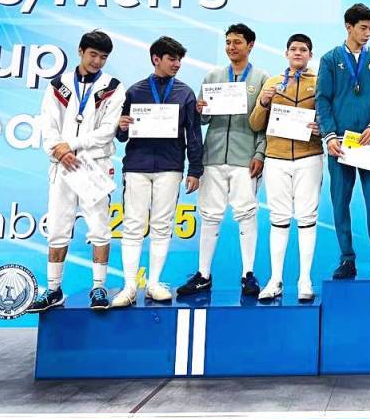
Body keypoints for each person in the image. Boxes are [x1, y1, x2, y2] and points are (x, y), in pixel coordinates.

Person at [28, 31, 125, 312]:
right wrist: (59, 151)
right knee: (58, 227)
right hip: (63, 165)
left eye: (103, 57)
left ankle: (99, 287)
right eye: (93, 54)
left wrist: (71, 145)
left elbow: (107, 130)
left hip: (94, 165)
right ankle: (53, 289)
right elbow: (48, 124)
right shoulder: (58, 85)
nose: (97, 61)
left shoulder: (113, 87)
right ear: (81, 51)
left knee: (100, 228)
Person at [112, 36, 203, 307]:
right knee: (132, 225)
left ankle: (154, 283)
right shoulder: (135, 91)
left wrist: (195, 169)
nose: (177, 64)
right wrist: (122, 127)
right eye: (172, 59)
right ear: (156, 59)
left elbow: (193, 135)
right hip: (136, 166)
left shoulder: (185, 93)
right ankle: (129, 286)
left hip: (170, 167)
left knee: (162, 226)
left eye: (179, 60)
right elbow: (121, 135)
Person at [178, 24, 268, 298]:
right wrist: (200, 110)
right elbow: (203, 120)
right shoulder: (213, 76)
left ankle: (248, 274)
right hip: (213, 156)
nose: (231, 47)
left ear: (250, 45)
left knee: (247, 214)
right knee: (209, 215)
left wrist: (259, 153)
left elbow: (265, 122)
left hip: (245, 158)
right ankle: (203, 274)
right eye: (228, 42)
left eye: (237, 42)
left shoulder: (262, 79)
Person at [316, 3, 370, 280]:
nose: (368, 33)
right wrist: (329, 135)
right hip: (340, 144)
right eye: (363, 28)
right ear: (348, 27)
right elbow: (322, 100)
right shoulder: (330, 59)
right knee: (340, 203)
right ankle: (347, 259)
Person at [249, 34, 324, 301]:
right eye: (293, 49)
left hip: (309, 156)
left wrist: (321, 127)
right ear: (286, 53)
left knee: (306, 217)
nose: (298, 53)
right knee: (278, 218)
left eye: (303, 49)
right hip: (276, 158)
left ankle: (305, 280)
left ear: (310, 55)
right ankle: (275, 279)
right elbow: (255, 123)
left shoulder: (320, 82)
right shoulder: (272, 83)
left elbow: (329, 118)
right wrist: (263, 102)